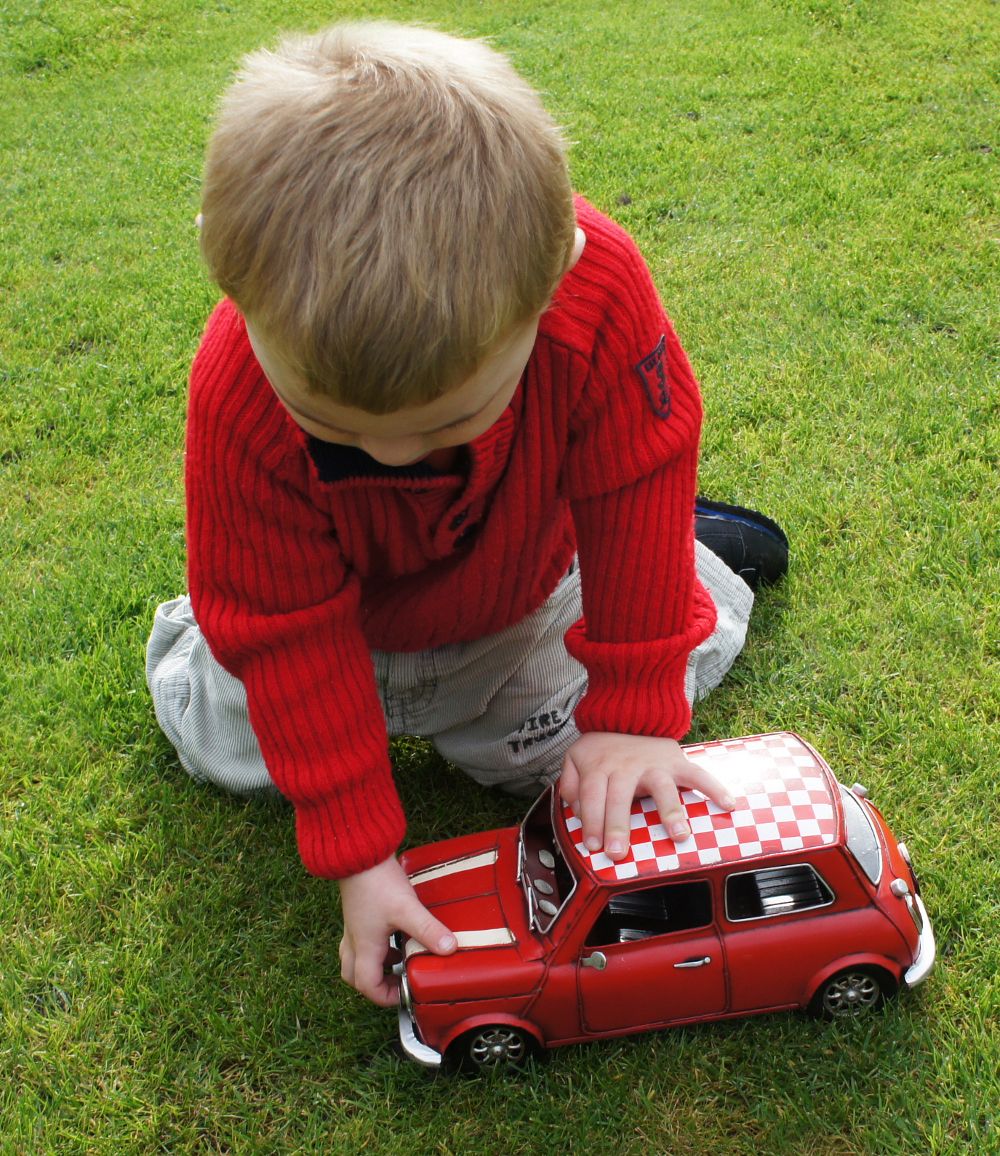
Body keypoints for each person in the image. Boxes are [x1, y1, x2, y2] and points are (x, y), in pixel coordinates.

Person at [146, 21, 788, 1008]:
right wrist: (362, 853)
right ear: (223, 272)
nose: (395, 458)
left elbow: (640, 468)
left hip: (512, 603)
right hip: (331, 630)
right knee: (225, 749)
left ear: (552, 277)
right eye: (334, 428)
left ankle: (686, 561)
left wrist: (633, 720)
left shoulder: (597, 291)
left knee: (575, 766)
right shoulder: (235, 389)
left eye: (448, 422)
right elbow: (280, 628)